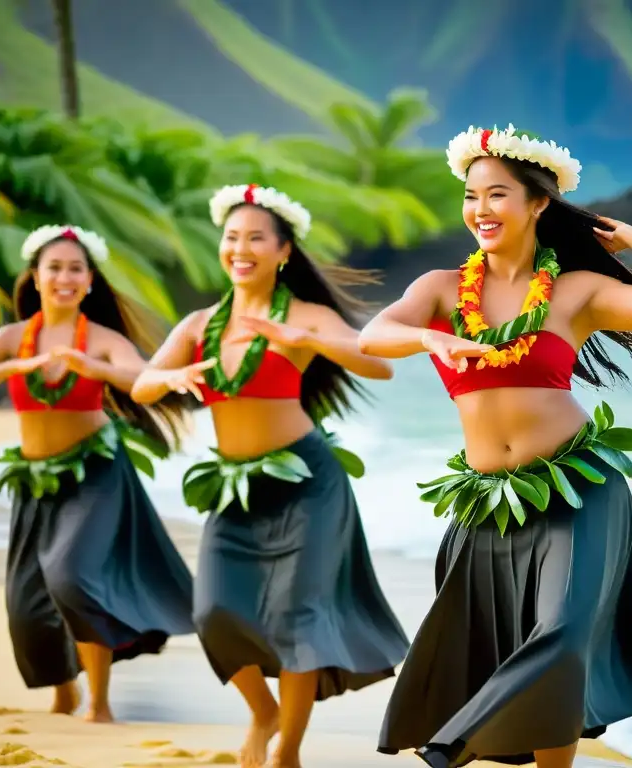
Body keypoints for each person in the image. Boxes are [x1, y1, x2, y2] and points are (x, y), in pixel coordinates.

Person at [359, 124, 632, 768]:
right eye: (471, 196)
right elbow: (374, 337)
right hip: (488, 500)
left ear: (538, 204)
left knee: (562, 634)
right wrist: (429, 339)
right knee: (505, 644)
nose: (480, 210)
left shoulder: (574, 291)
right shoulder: (441, 289)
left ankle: (455, 743)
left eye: (498, 195)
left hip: (579, 487)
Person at [130, 184, 410, 768]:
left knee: (296, 617)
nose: (241, 247)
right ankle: (264, 710)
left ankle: (288, 750)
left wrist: (306, 340)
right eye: (232, 237)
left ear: (283, 251)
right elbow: (141, 385)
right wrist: (173, 381)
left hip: (307, 485)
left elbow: (377, 364)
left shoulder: (306, 315)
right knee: (213, 612)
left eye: (256, 237)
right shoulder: (200, 324)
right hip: (236, 489)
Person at [0, 225, 195, 723]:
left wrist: (92, 366)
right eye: (54, 267)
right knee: (25, 604)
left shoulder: (102, 340)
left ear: (90, 281)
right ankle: (63, 694)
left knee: (73, 578)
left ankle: (99, 703)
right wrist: (15, 367)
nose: (64, 276)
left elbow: (141, 378)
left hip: (96, 475)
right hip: (34, 479)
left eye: (75, 268)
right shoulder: (11, 338)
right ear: (35, 278)